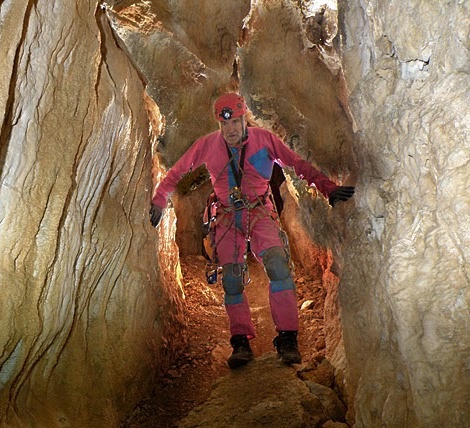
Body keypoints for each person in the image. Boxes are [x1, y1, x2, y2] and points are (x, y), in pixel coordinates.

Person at [149, 92, 354, 369]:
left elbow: (297, 165)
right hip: (226, 215)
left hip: (259, 210)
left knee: (278, 265)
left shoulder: (264, 140)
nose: (230, 129)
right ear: (219, 125)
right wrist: (160, 199)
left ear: (244, 118)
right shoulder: (208, 145)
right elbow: (177, 172)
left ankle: (287, 338)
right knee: (232, 279)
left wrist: (327, 188)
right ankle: (240, 341)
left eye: (235, 122)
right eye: (225, 125)